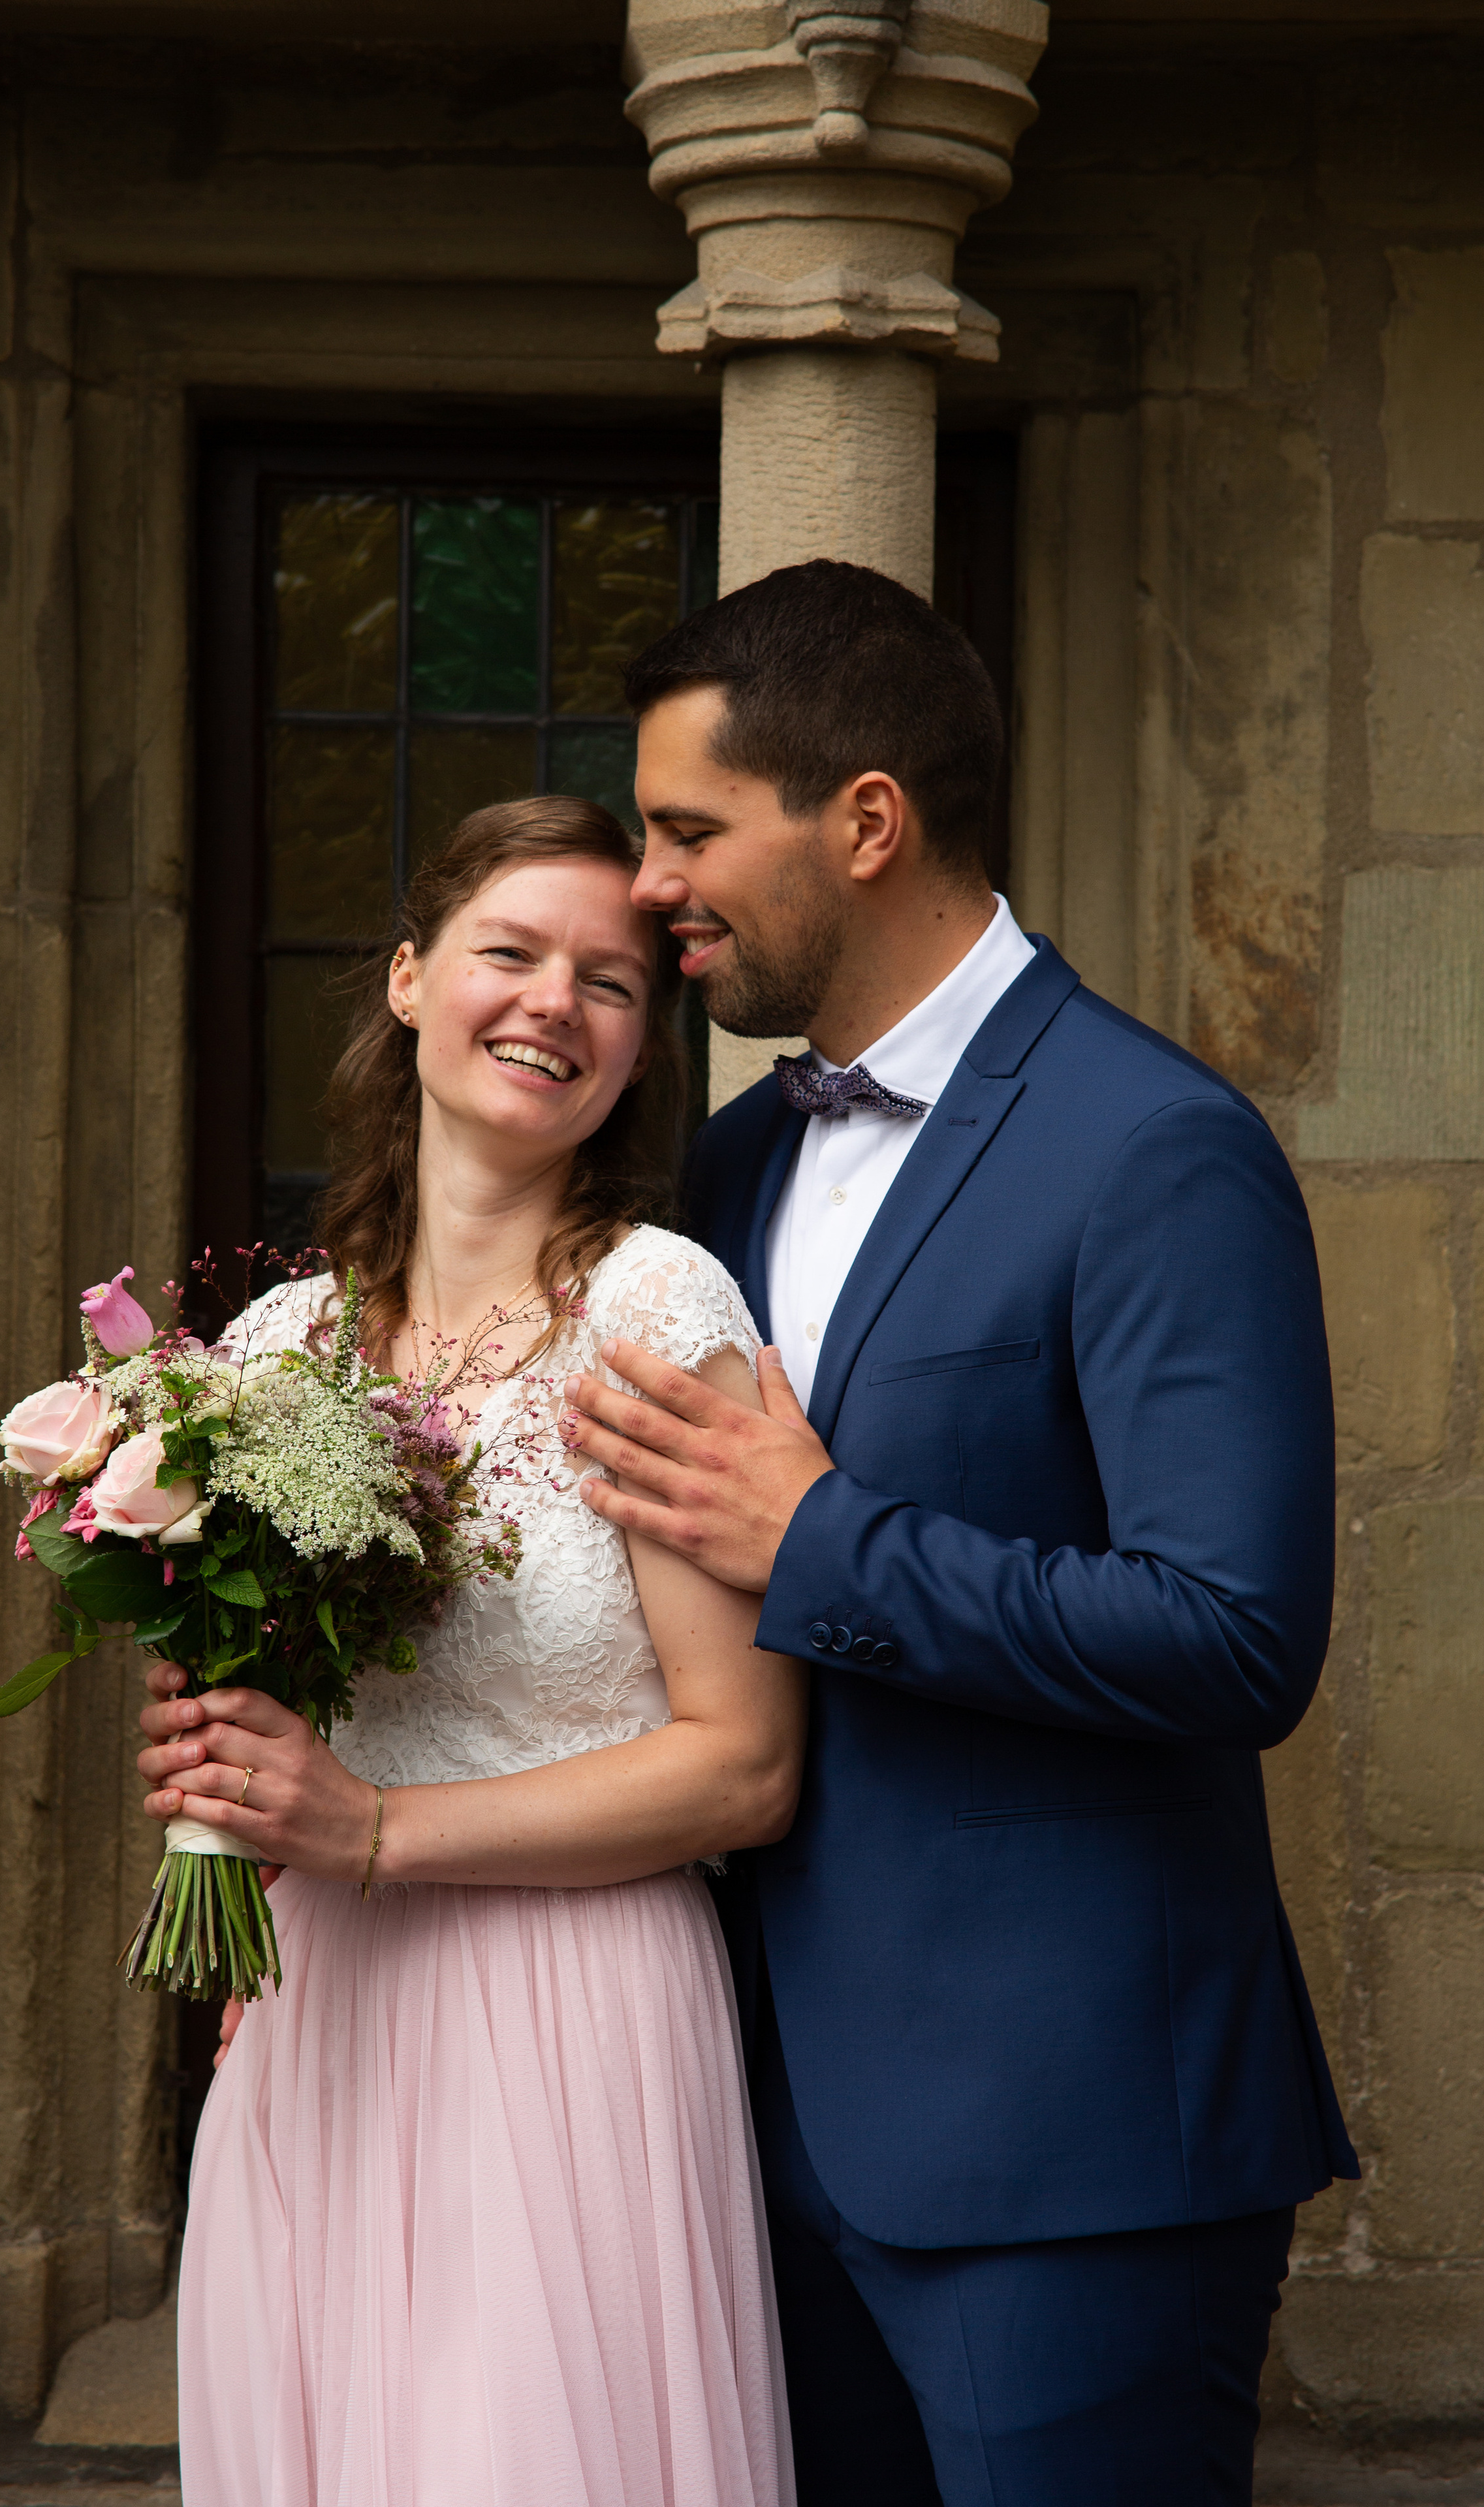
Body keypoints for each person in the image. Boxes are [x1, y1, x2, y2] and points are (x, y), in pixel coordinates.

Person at [555, 560, 1359, 2506]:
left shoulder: (1154, 1144)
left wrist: (823, 1537)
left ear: (865, 820)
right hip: (750, 2131)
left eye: (685, 830)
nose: (647, 884)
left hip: (1065, 2151)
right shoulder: (734, 1160)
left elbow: (1236, 1635)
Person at [136, 798, 802, 2507]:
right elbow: (274, 1699)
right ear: (415, 979)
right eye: (512, 953)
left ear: (641, 1050)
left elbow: (746, 1765)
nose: (553, 1005)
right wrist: (221, 1768)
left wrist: (369, 1827)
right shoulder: (280, 1345)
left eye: (610, 981)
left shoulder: (658, 1318)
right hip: (324, 2021)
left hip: (573, 2019)